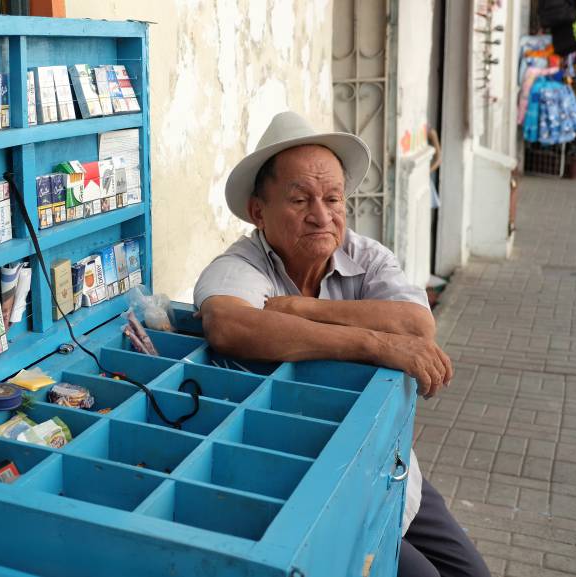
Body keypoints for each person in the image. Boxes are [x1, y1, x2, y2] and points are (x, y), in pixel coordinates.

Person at [194, 111, 489, 577]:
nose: (321, 214)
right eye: (299, 199)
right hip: (305, 482)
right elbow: (229, 324)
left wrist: (301, 308)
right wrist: (374, 344)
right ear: (258, 211)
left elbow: (417, 329)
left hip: (387, 465)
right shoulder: (242, 264)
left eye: (333, 198)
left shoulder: (365, 256)